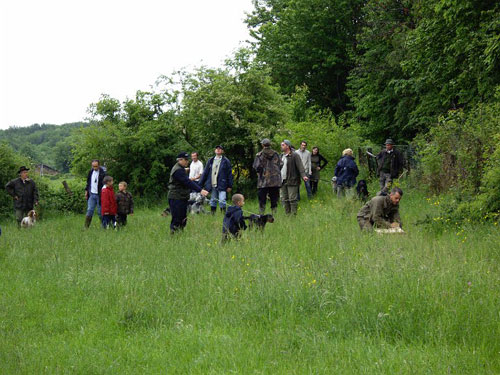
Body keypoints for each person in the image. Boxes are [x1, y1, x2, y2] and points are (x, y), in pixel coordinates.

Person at [168, 152, 209, 233]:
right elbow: (187, 182)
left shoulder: (181, 168)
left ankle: (180, 234)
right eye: (185, 160)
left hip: (182, 197)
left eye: (187, 160)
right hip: (176, 197)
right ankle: (174, 235)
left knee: (183, 218)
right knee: (177, 218)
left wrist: (185, 169)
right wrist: (200, 190)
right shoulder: (178, 170)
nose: (187, 161)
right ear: (180, 160)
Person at [199, 145, 233, 214]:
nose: (218, 150)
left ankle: (223, 214)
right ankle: (212, 214)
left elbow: (229, 174)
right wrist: (200, 184)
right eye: (217, 148)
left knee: (222, 200)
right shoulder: (210, 160)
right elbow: (205, 172)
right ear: (215, 150)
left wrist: (230, 185)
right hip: (212, 183)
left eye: (220, 149)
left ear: (222, 151)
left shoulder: (226, 161)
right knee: (213, 200)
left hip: (222, 184)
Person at [252, 138, 283, 215]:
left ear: (262, 145)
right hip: (275, 181)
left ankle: (261, 215)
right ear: (270, 144)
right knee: (274, 200)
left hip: (263, 181)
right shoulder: (276, 154)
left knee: (262, 201)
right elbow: (281, 164)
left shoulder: (259, 155)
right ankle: (274, 214)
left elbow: (256, 167)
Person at [280, 140, 308, 215]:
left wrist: (304, 176)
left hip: (292, 180)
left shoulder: (295, 155)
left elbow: (300, 166)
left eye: (283, 145)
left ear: (287, 146)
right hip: (283, 180)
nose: (281, 146)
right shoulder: (281, 156)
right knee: (285, 199)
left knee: (292, 199)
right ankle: (287, 215)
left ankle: (293, 215)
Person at [84, 159, 106, 228]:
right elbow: (88, 183)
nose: (94, 168)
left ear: (99, 165)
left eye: (96, 166)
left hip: (100, 195)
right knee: (89, 210)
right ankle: (86, 227)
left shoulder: (103, 173)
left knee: (100, 212)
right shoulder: (90, 172)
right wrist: (86, 191)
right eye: (93, 166)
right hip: (92, 194)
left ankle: (104, 226)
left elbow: (106, 184)